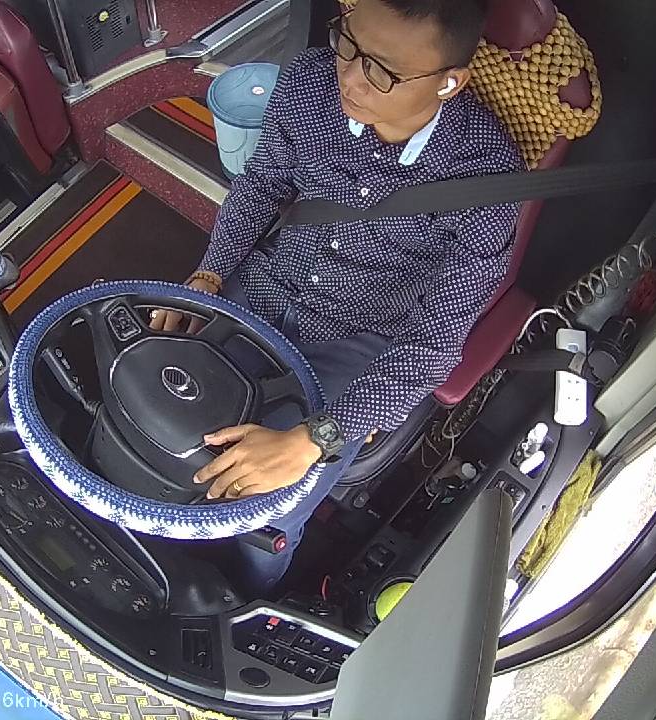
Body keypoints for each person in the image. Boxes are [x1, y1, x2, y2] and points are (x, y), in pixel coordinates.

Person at [152, 0, 523, 594]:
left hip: (362, 340)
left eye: (383, 70)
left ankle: (245, 598)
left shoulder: (489, 177)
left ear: (449, 82)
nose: (350, 77)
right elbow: (262, 186)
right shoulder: (308, 81)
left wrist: (314, 440)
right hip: (264, 285)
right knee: (163, 412)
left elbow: (434, 344)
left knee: (264, 509)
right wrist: (209, 276)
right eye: (348, 44)